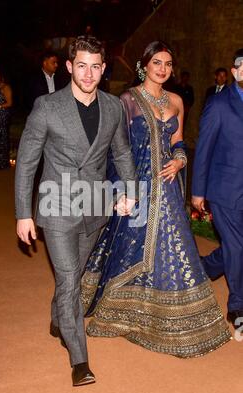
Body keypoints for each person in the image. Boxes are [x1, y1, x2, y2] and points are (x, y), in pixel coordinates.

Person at [81, 41, 231, 357]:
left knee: (177, 246)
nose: (163, 69)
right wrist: (123, 190)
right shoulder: (127, 100)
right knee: (131, 245)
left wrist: (179, 160)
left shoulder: (176, 100)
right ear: (144, 65)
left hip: (169, 187)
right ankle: (129, 310)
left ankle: (177, 317)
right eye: (157, 63)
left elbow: (178, 141)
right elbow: (116, 149)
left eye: (168, 64)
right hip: (138, 185)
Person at [15, 35, 138, 386]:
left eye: (95, 66)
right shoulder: (47, 107)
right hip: (57, 204)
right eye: (81, 65)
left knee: (75, 275)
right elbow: (26, 163)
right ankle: (80, 360)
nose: (88, 74)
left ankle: (58, 317)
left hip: (96, 204)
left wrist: (130, 190)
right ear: (69, 66)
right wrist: (23, 213)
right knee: (69, 278)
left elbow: (122, 153)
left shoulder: (114, 107)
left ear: (103, 68)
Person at [192, 49, 243, 329]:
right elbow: (204, 148)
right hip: (225, 190)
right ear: (234, 72)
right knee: (236, 246)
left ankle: (205, 267)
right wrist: (198, 191)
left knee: (237, 246)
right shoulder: (219, 103)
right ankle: (237, 305)